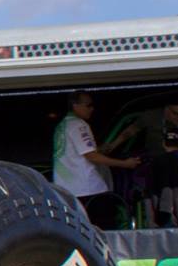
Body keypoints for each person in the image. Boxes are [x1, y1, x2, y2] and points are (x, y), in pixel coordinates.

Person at [52, 91, 139, 230]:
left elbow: (93, 151)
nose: (92, 109)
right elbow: (91, 156)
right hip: (88, 189)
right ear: (75, 106)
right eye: (88, 105)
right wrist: (125, 164)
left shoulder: (63, 125)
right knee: (104, 229)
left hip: (69, 189)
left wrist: (121, 138)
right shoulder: (79, 126)